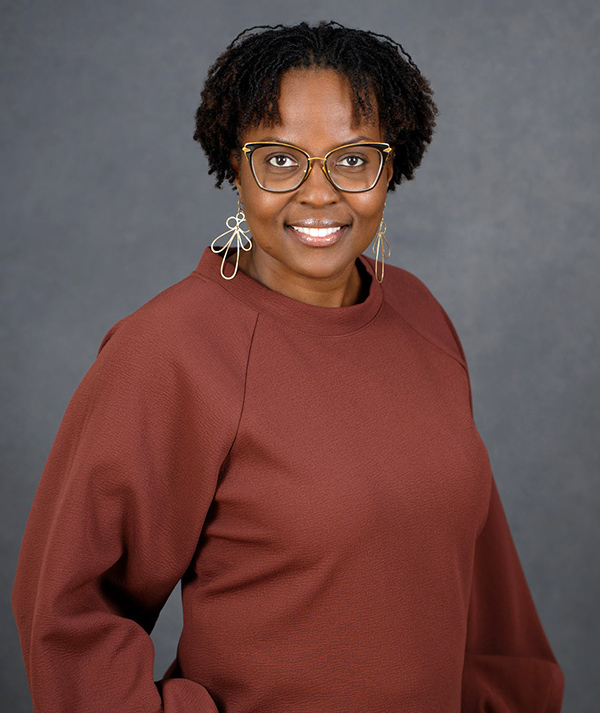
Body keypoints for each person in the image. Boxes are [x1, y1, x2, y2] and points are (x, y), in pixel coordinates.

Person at [12, 20, 565, 713]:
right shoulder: (168, 351)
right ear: (233, 166)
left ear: (391, 167)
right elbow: (67, 614)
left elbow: (482, 581)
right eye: (279, 160)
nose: (318, 193)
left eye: (353, 158)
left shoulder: (420, 315)